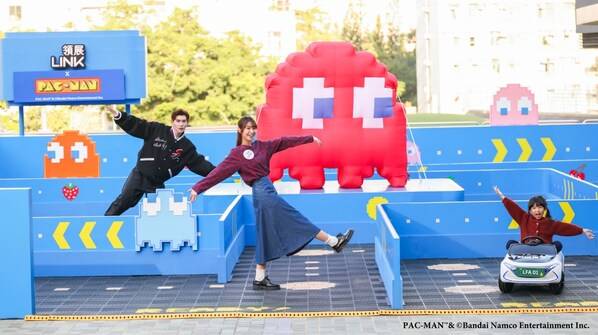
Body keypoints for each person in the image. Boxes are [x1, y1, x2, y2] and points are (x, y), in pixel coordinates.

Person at [189, 116, 354, 290]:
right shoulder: (236, 154)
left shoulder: (262, 146)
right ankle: (334, 242)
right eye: (247, 128)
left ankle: (260, 277)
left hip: (267, 190)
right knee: (295, 219)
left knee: (264, 234)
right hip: (261, 193)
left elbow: (284, 142)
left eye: (254, 128)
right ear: (239, 131)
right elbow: (219, 173)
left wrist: (310, 138)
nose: (251, 131)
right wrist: (197, 188)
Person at [105, 105, 215, 216]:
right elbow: (137, 124)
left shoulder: (187, 147)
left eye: (184, 121)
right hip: (139, 175)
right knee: (123, 202)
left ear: (187, 123)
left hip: (156, 183)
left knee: (160, 211)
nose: (181, 124)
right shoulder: (157, 129)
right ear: (172, 122)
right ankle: (105, 223)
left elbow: (200, 164)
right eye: (178, 121)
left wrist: (221, 172)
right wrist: (118, 115)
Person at [493, 186, 594, 252]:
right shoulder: (524, 218)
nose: (537, 210)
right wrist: (502, 197)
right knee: (510, 244)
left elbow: (565, 228)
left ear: (544, 209)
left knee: (558, 245)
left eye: (540, 207)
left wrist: (582, 230)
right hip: (526, 249)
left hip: (544, 251)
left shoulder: (550, 223)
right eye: (534, 208)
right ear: (530, 210)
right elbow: (513, 208)